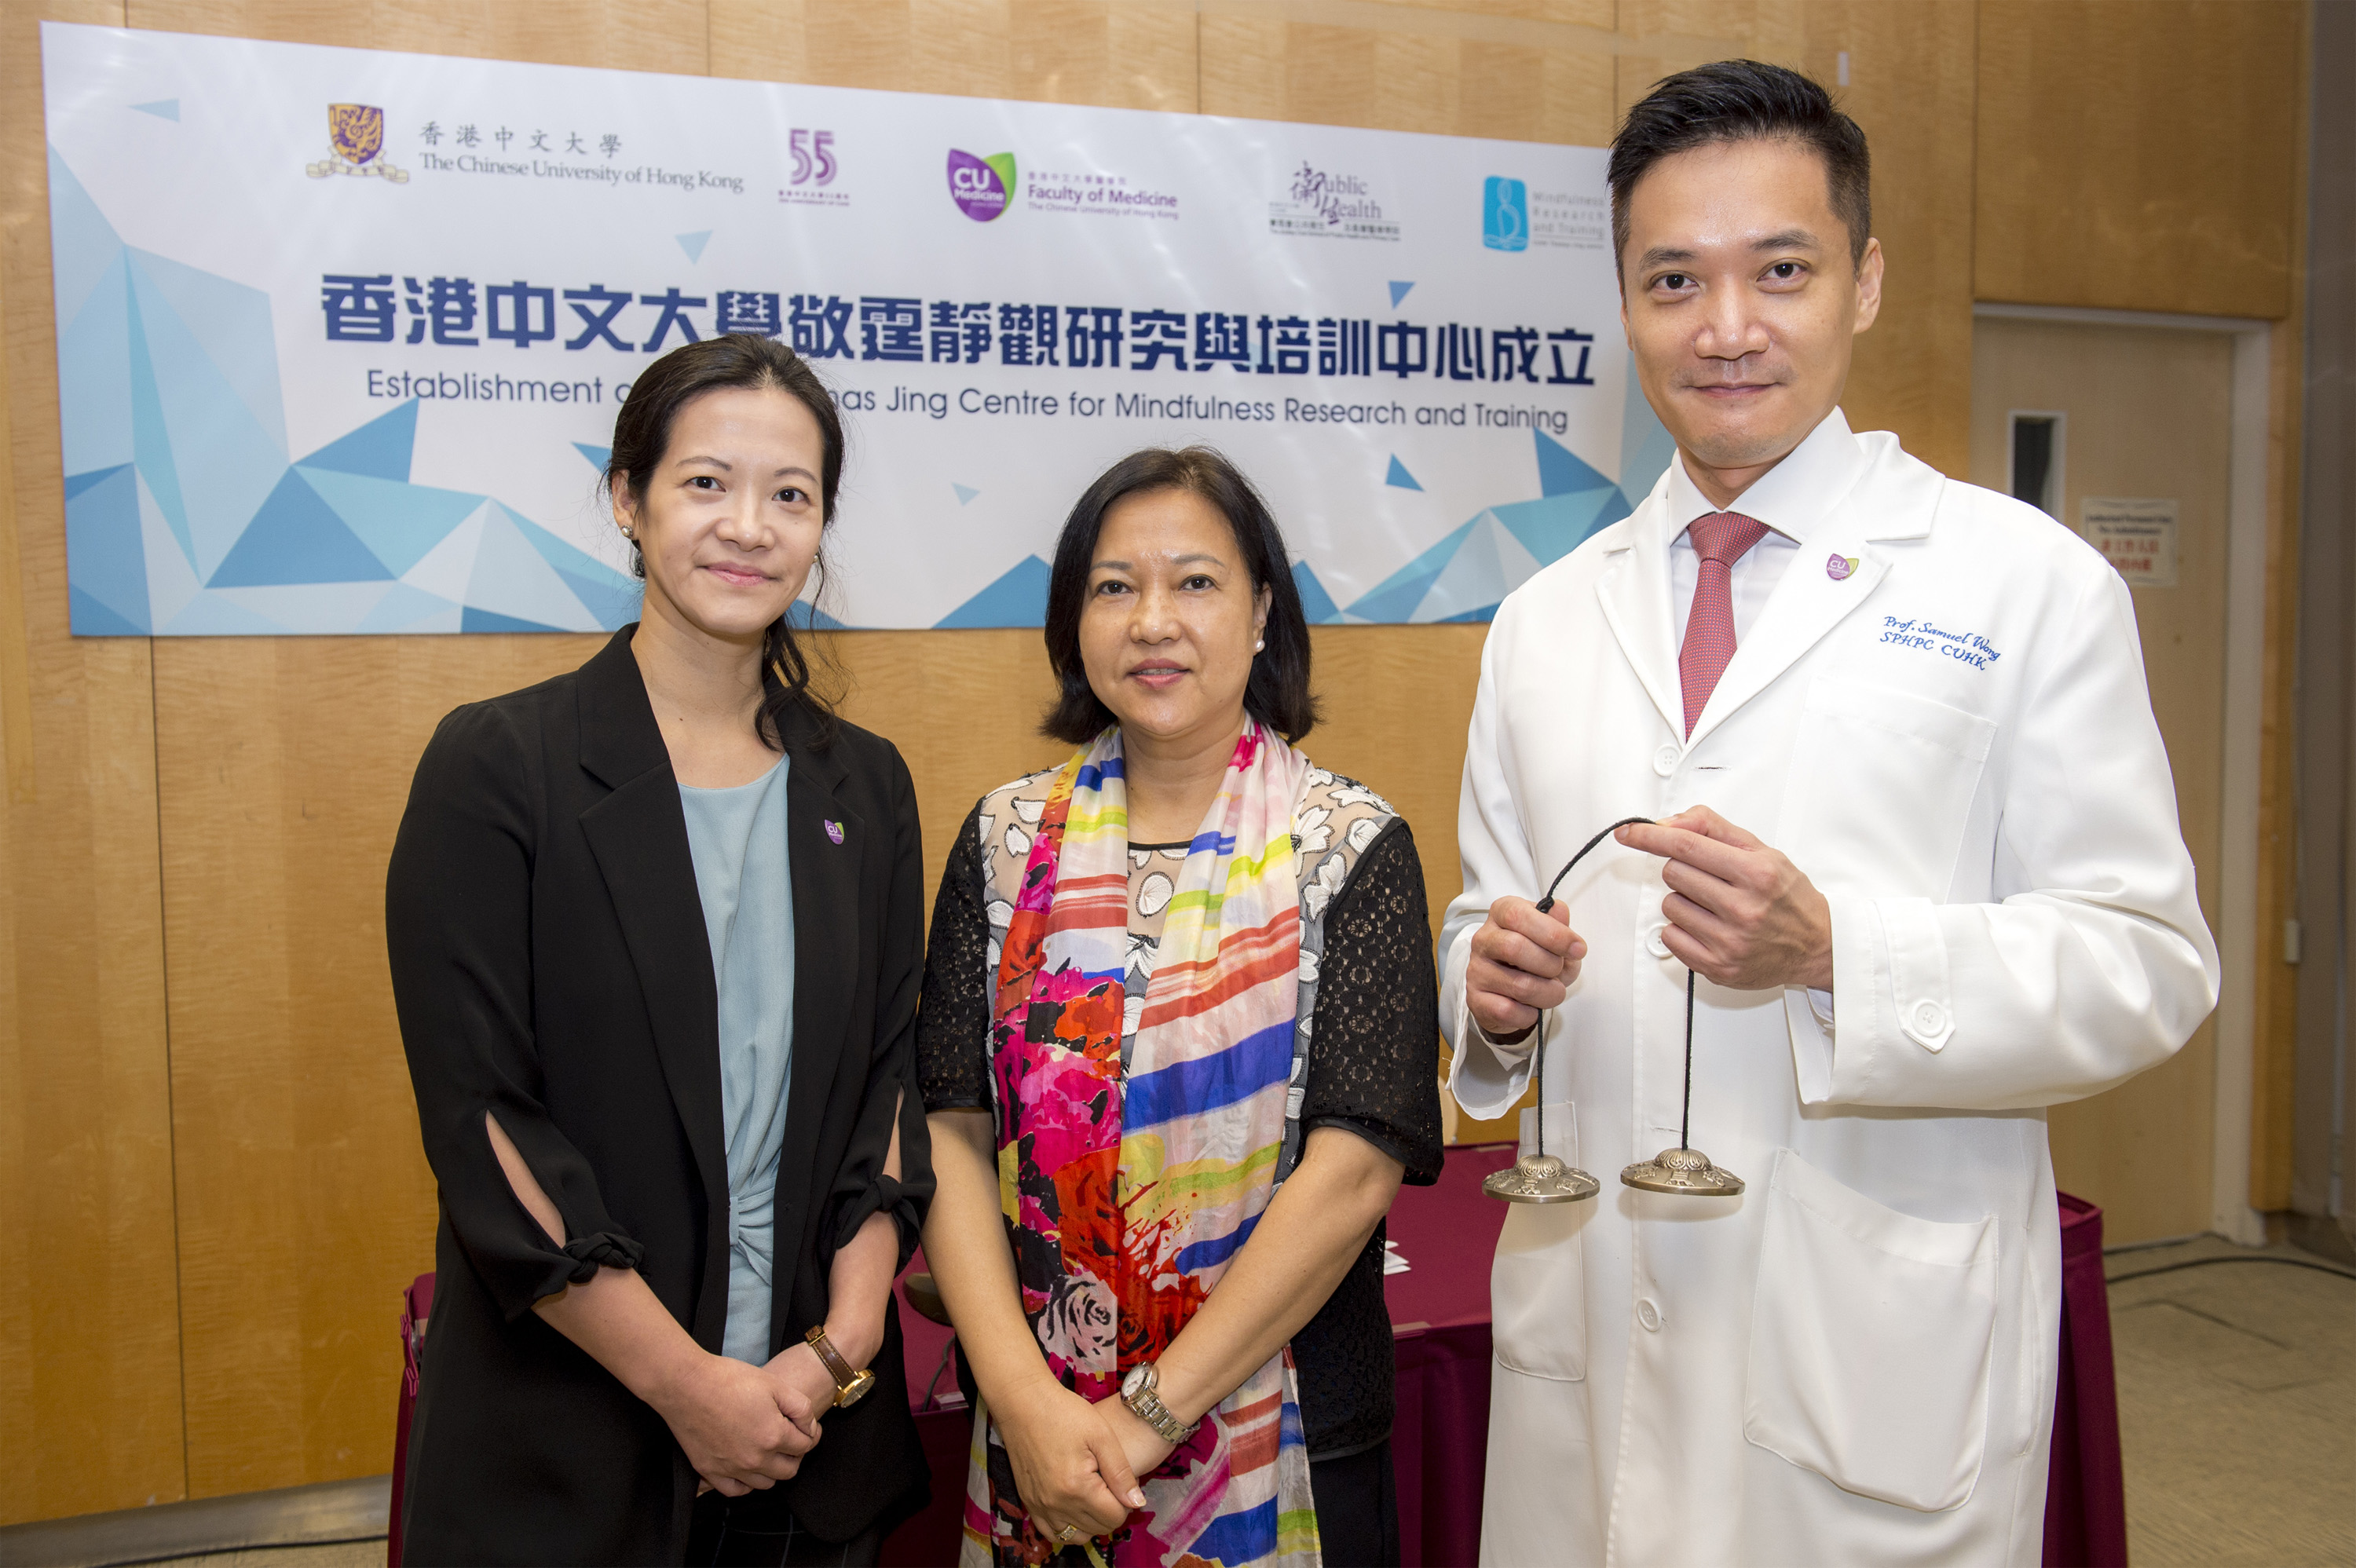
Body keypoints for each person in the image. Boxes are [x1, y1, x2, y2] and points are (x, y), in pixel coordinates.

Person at [1443, 61, 2219, 1565]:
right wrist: (1493, 997)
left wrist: (1837, 956)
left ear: (1864, 282)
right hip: (1594, 1346)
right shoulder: (1543, 619)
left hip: (1876, 1369)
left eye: (1779, 269)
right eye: (1674, 279)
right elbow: (1492, 914)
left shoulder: (2018, 581)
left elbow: (2148, 961)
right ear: (1623, 303)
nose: (1725, 326)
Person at [386, 334, 934, 1566]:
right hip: (574, 1452)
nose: (748, 526)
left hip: (811, 1439)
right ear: (628, 499)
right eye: (705, 484)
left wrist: (835, 1352)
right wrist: (692, 1387)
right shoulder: (498, 768)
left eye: (791, 495)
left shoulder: (868, 785)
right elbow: (488, 1130)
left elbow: (888, 1094)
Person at [916, 447, 1443, 1567]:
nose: (1153, 620)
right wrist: (1028, 1406)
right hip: (1037, 1446)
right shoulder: (1006, 842)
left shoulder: (1349, 847)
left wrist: (1138, 1419)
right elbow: (949, 1133)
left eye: (1195, 582)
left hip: (1291, 1433)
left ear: (1262, 612)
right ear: (1073, 623)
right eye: (1115, 587)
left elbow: (1351, 1173)